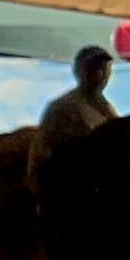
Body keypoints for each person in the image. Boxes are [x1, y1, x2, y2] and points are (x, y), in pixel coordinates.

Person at [32, 44, 117, 183]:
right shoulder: (63, 108)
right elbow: (46, 161)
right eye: (94, 68)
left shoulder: (106, 108)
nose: (100, 74)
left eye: (105, 69)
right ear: (80, 71)